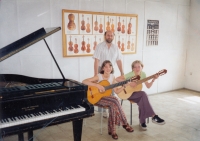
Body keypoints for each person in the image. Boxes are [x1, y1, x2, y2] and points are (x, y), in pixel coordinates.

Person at [82, 60, 133, 139]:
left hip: (108, 99)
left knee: (113, 104)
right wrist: (97, 85)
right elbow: (84, 81)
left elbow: (116, 91)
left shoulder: (112, 77)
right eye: (106, 66)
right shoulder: (99, 76)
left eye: (110, 66)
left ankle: (112, 131)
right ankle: (125, 124)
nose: (108, 68)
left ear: (112, 68)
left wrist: (124, 86)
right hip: (96, 99)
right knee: (115, 100)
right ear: (102, 68)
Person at [116, 60, 165, 131]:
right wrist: (129, 83)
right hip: (127, 94)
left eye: (139, 67)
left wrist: (153, 79)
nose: (137, 69)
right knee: (143, 94)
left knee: (142, 99)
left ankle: (142, 122)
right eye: (135, 67)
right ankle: (153, 116)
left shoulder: (143, 74)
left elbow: (148, 86)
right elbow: (117, 79)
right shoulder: (130, 74)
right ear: (132, 68)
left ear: (142, 67)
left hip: (136, 94)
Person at [93, 30, 123, 117]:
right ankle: (102, 111)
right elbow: (96, 60)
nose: (109, 37)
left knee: (112, 89)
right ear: (105, 36)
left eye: (111, 35)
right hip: (101, 70)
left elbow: (119, 60)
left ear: (113, 36)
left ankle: (111, 109)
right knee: (101, 90)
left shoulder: (116, 47)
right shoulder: (100, 46)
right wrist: (96, 74)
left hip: (111, 70)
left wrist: (122, 72)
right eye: (108, 35)